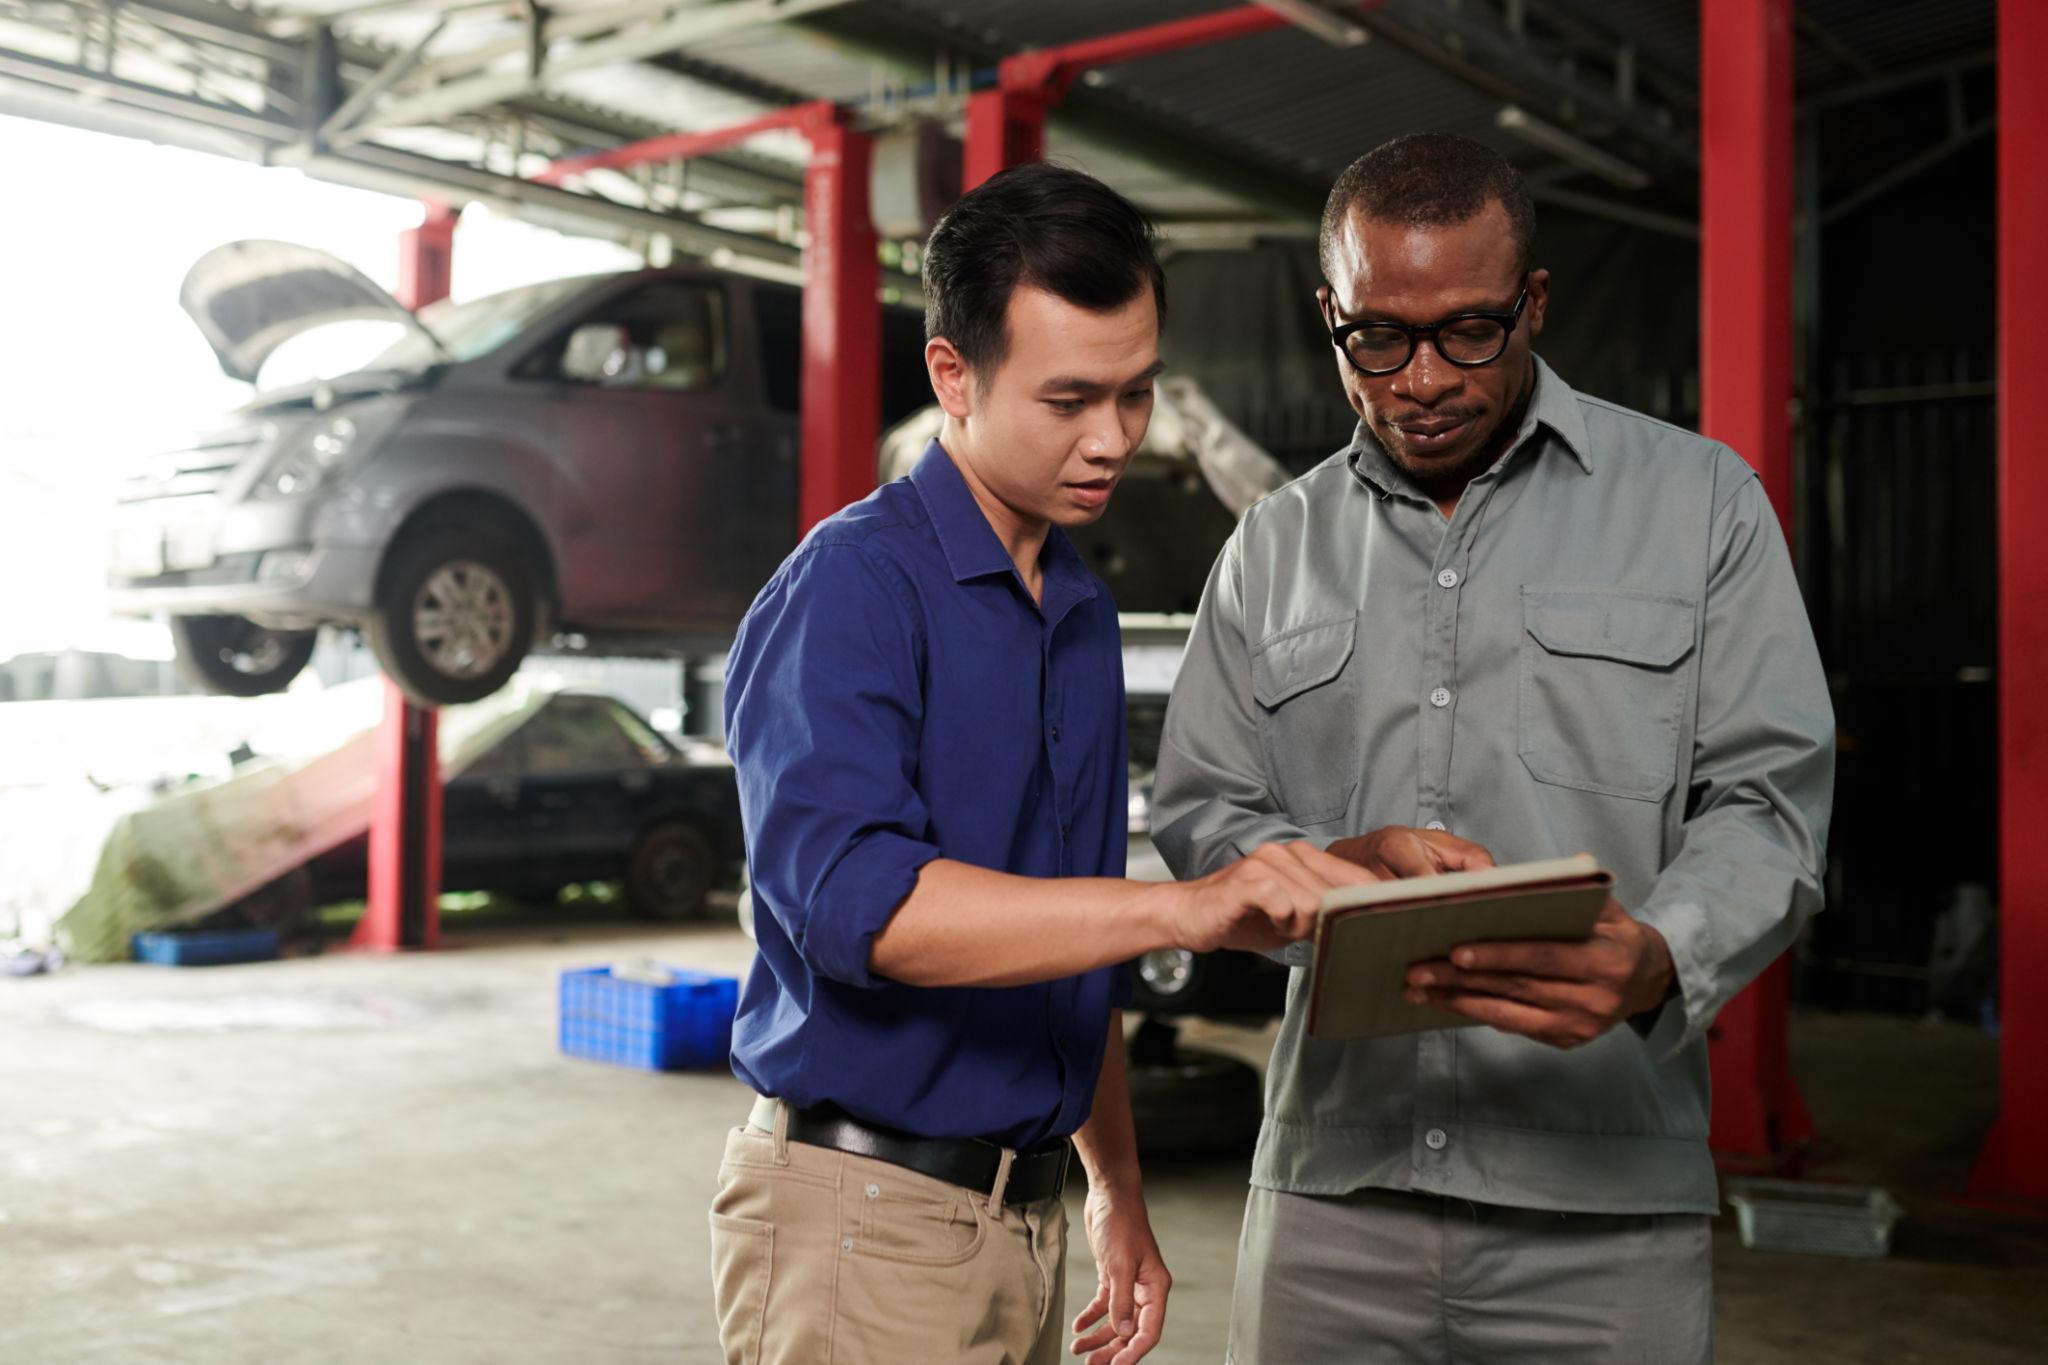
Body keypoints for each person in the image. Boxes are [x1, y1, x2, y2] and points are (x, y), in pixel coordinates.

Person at [1152, 133, 1835, 1364]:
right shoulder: (1271, 548)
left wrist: (1660, 956)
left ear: (1533, 303)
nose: (1421, 380)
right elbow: (1204, 810)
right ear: (1329, 314)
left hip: (1604, 1206)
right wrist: (1323, 870)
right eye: (1376, 338)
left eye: (1468, 331)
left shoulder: (1698, 508)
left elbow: (1770, 800)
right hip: (1332, 1199)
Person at [709, 161, 1372, 1365]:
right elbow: (865, 910)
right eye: (1067, 399)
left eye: (1135, 393)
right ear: (951, 376)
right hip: (861, 1219)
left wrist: (1113, 1187)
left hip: (1023, 1214)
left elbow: (1069, 933)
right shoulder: (852, 587)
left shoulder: (1075, 609)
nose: (1111, 439)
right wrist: (1180, 907)